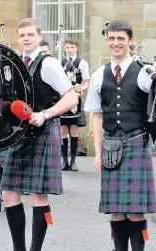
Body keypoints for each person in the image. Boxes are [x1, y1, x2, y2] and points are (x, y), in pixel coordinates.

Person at [0, 18, 78, 251]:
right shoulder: (15, 64)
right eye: (22, 35)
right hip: (19, 134)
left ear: (39, 37)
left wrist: (46, 114)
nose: (26, 39)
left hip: (43, 130)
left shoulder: (48, 64)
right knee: (9, 192)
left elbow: (71, 97)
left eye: (30, 34)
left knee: (38, 195)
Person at [85, 20, 156, 251]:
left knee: (136, 212)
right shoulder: (99, 74)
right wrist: (97, 151)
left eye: (121, 38)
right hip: (111, 145)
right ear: (106, 40)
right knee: (115, 211)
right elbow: (97, 114)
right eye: (111, 38)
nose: (116, 43)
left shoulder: (144, 72)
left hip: (136, 142)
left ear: (129, 40)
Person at [60, 38, 90, 171]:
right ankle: (64, 161)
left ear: (76, 48)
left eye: (72, 47)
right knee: (63, 130)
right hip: (62, 100)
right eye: (68, 48)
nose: (70, 50)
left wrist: (79, 89)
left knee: (74, 129)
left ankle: (73, 162)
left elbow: (86, 83)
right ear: (64, 49)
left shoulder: (81, 63)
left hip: (75, 101)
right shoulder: (60, 63)